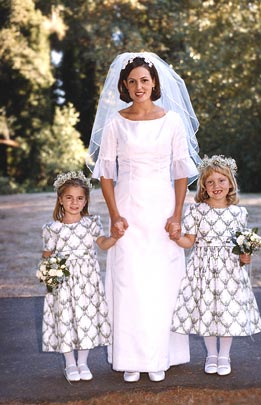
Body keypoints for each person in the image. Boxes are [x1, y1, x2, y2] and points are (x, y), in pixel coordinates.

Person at [86, 52, 201, 382]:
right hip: (128, 205)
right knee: (129, 279)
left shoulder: (172, 121)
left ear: (154, 84)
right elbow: (106, 172)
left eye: (145, 81)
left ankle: (161, 355)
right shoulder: (116, 123)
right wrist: (114, 214)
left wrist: (177, 214)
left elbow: (181, 171)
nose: (139, 86)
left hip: (162, 206)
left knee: (161, 280)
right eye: (133, 81)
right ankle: (130, 358)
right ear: (124, 85)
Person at [171, 155, 261, 376]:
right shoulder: (196, 211)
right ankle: (211, 354)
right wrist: (176, 237)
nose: (216, 186)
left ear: (230, 183)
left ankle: (224, 355)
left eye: (221, 180)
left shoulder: (238, 213)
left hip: (229, 269)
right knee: (208, 310)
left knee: (225, 310)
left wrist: (245, 256)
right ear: (203, 186)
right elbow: (188, 241)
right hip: (202, 268)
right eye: (210, 182)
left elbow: (242, 244)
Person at [41, 171, 118, 382]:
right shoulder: (53, 229)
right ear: (60, 199)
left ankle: (83, 362)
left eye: (80, 198)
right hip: (64, 280)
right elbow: (47, 255)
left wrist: (115, 237)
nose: (74, 202)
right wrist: (49, 276)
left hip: (87, 279)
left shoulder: (91, 223)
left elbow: (102, 244)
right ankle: (70, 364)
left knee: (86, 317)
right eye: (69, 197)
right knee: (65, 317)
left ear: (86, 201)